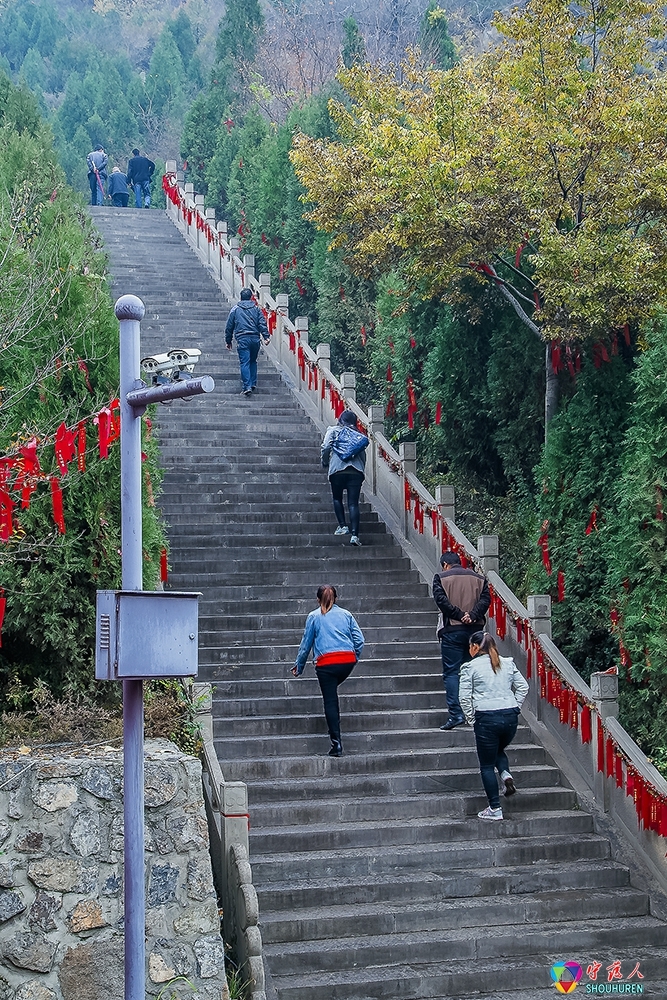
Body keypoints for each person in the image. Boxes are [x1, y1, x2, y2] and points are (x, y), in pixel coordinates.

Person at [459, 631, 529, 820]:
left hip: (486, 717)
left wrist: (472, 719)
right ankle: (505, 775)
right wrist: (515, 706)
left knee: (487, 765)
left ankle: (495, 808)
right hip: (510, 716)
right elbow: (523, 687)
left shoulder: (469, 667)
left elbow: (464, 698)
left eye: (469, 646)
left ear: (475, 647)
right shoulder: (507, 663)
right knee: (497, 750)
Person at [292, 585, 364, 757]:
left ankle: (336, 744)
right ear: (337, 598)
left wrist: (299, 666)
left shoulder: (314, 617)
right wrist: (354, 657)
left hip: (326, 664)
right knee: (332, 690)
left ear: (318, 600)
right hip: (347, 661)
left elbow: (305, 645)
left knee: (330, 701)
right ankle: (336, 742)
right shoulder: (346, 614)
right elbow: (360, 639)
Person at [432, 551, 490, 730]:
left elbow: (441, 601)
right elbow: (485, 599)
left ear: (445, 565)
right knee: (474, 672)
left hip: (453, 631)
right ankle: (477, 712)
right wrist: (472, 615)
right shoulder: (479, 578)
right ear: (460, 562)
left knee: (451, 673)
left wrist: (459, 615)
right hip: (475, 631)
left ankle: (456, 714)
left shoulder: (440, 578)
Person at [320, 410, 367, 547]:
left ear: (341, 419)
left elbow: (326, 446)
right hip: (356, 472)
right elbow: (363, 456)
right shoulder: (358, 434)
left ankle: (343, 526)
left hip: (337, 470)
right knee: (353, 503)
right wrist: (360, 469)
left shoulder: (334, 430)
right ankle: (354, 536)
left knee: (337, 498)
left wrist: (325, 461)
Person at [225, 288, 270, 395]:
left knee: (244, 362)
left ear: (241, 297)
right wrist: (266, 336)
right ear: (251, 297)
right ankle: (253, 383)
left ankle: (247, 386)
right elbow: (261, 323)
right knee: (253, 361)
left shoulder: (235, 309)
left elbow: (229, 326)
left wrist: (228, 340)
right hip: (255, 338)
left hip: (242, 338)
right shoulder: (256, 309)